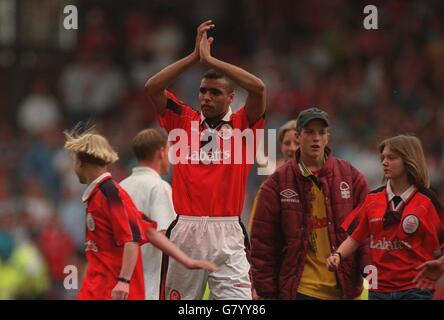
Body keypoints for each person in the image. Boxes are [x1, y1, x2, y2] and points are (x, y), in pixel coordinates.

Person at [144, 20, 266, 300]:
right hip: (186, 229)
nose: (207, 97)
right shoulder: (183, 120)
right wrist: (193, 58)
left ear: (231, 97)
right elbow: (152, 87)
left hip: (228, 231)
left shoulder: (242, 124)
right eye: (203, 91)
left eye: (215, 92)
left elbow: (258, 88)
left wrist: (213, 61)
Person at [63, 126, 217, 300]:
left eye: (75, 161)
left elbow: (134, 238)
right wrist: (187, 260)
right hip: (104, 287)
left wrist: (123, 281)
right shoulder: (104, 193)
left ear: (82, 162)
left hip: (114, 289)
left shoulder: (113, 191)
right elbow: (148, 232)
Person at [250, 107, 369, 300]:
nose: (316, 138)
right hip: (300, 291)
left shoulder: (351, 176)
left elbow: (366, 231)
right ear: (299, 136)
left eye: (321, 132)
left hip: (345, 290)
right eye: (309, 132)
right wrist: (266, 292)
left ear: (327, 137)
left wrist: (371, 275)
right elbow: (263, 243)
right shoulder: (277, 182)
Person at [327, 134, 444, 300]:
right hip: (378, 289)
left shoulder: (427, 201)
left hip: (416, 289)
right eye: (383, 158)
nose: (384, 162)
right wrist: (337, 255)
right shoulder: (372, 198)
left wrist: (441, 264)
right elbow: (355, 238)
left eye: (391, 158)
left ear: (408, 160)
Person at [120, 128, 177, 300]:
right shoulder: (158, 187)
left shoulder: (121, 187)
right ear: (161, 152)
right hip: (151, 287)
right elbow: (164, 235)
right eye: (168, 151)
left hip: (125, 283)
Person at [248, 119, 298, 232]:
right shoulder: (270, 184)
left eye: (297, 143)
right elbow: (256, 229)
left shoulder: (320, 180)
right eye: (287, 143)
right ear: (281, 147)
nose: (292, 148)